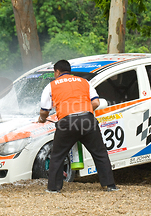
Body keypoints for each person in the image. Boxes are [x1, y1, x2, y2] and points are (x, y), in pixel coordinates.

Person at [38, 60, 118, 193]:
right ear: (69, 71)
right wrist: (83, 112)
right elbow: (96, 102)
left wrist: (42, 119)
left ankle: (53, 188)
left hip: (67, 123)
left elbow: (44, 110)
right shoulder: (84, 82)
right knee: (100, 153)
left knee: (57, 155)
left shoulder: (51, 86)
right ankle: (109, 185)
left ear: (57, 72)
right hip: (88, 120)